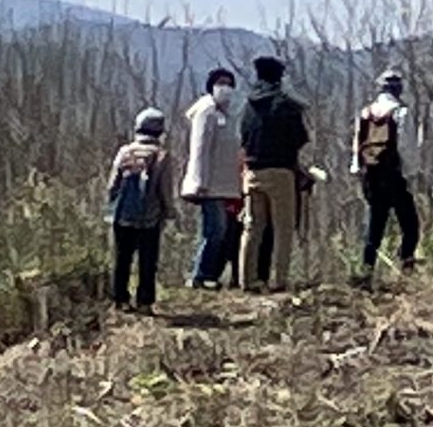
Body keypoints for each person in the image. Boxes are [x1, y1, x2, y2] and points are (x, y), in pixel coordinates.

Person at [239, 55, 311, 290]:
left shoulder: (248, 105)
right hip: (280, 171)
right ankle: (279, 280)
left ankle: (246, 279)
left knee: (252, 227)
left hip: (252, 172)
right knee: (283, 228)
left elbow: (243, 137)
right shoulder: (286, 105)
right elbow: (300, 138)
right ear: (279, 76)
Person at [104, 108, 177, 311]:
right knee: (147, 260)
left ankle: (120, 299)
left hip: (122, 215)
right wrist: (169, 211)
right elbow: (165, 189)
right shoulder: (161, 155)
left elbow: (112, 185)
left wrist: (111, 206)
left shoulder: (125, 151)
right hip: (150, 217)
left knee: (122, 258)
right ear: (160, 131)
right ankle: (144, 301)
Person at [352, 69, 421, 277]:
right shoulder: (400, 112)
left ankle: (367, 269)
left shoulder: (365, 112)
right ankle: (406, 266)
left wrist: (358, 170)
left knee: (375, 225)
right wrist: (412, 172)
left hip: (371, 175)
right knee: (410, 225)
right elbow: (406, 147)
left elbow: (357, 144)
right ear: (398, 88)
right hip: (394, 175)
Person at [181, 67, 244, 287]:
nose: (225, 87)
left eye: (229, 83)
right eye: (220, 83)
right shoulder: (206, 111)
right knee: (214, 231)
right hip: (210, 185)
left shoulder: (227, 114)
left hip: (226, 184)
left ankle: (210, 275)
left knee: (222, 232)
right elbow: (200, 149)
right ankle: (201, 275)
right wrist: (199, 181)